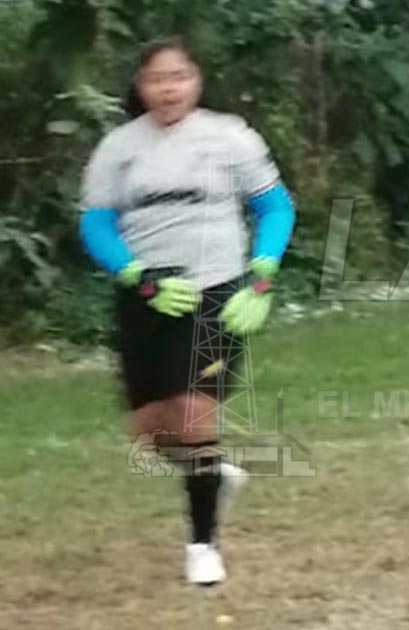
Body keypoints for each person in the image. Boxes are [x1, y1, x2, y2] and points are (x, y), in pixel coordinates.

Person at [78, 37, 296, 585]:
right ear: (140, 85)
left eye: (178, 76)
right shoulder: (118, 147)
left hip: (215, 291)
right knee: (149, 433)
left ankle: (203, 545)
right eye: (157, 78)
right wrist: (136, 275)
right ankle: (213, 476)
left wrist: (261, 277)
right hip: (146, 297)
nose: (168, 88)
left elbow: (274, 206)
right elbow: (96, 223)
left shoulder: (231, 136)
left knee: (192, 412)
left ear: (197, 79)